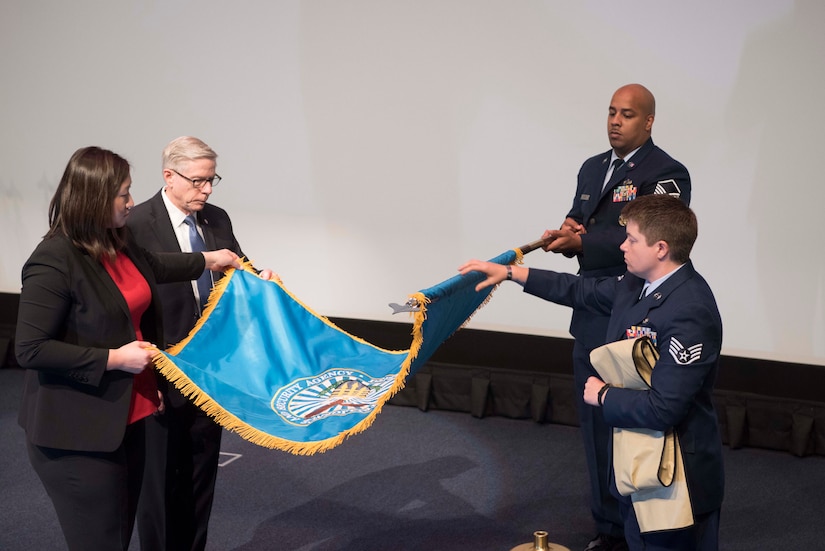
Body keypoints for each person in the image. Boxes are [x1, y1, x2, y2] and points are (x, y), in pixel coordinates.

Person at [459, 195, 723, 551]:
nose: (622, 246)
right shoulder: (636, 283)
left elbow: (666, 409)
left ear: (661, 248)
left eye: (631, 239)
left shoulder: (690, 309)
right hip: (640, 466)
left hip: (676, 480)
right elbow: (578, 289)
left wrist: (603, 395)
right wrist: (510, 273)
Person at [15, 146, 242, 551]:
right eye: (124, 194)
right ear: (95, 199)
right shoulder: (53, 259)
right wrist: (116, 358)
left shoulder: (115, 240)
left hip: (126, 417)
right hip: (77, 434)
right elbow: (30, 349)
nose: (132, 202)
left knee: (120, 532)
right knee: (102, 540)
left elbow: (155, 266)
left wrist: (211, 259)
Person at [540, 83, 691, 551]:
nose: (615, 121)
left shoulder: (666, 173)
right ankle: (606, 529)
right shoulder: (591, 167)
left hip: (633, 314)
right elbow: (584, 218)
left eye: (627, 114)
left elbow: (648, 234)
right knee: (594, 432)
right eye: (611, 112)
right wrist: (569, 230)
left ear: (648, 122)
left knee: (632, 431)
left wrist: (584, 242)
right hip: (590, 314)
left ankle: (638, 529)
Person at [128, 136, 273, 551]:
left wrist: (261, 281)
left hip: (212, 371)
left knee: (200, 473)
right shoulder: (137, 225)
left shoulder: (216, 219)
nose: (206, 190)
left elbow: (238, 270)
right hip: (160, 371)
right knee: (158, 482)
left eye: (212, 180)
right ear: (168, 177)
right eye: (197, 181)